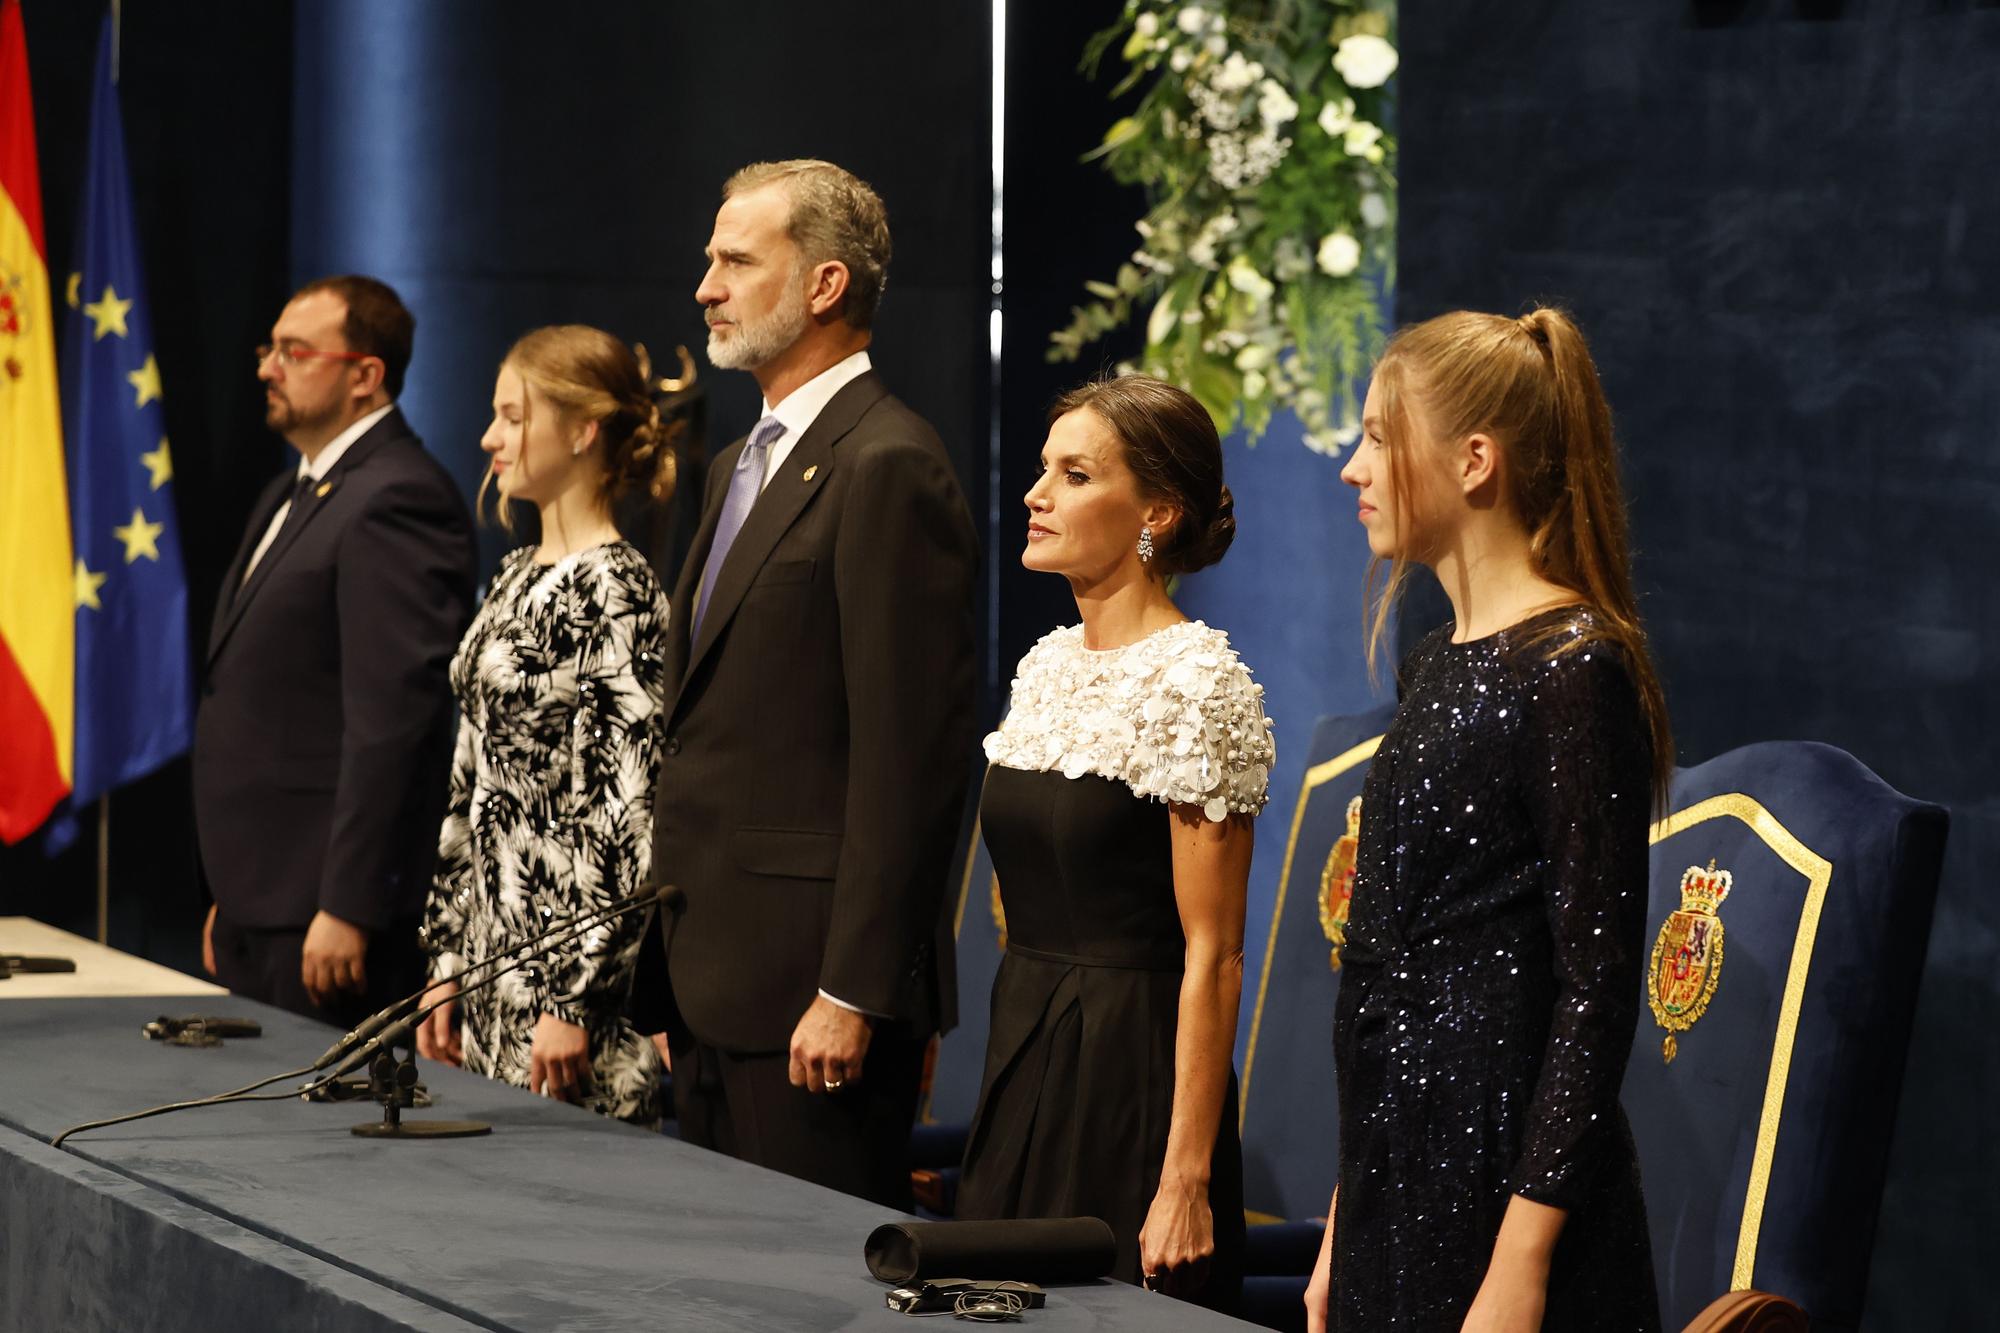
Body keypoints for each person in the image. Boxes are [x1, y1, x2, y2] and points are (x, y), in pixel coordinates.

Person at [1308, 307, 1671, 1332]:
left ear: (1472, 462)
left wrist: (1520, 1262)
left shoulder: (1569, 670)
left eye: (1377, 436)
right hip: (1398, 1177)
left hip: (1503, 1189)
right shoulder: (1433, 663)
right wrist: (1346, 1215)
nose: (1350, 466)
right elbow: (1382, 961)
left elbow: (1595, 990)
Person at [635, 160, 979, 1205]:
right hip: (706, 982)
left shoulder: (887, 463)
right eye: (709, 260)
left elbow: (908, 759)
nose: (706, 285)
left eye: (735, 260)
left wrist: (853, 988)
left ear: (825, 285)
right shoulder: (737, 458)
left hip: (810, 1001)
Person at [960, 374, 1272, 1314]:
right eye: (1042, 469)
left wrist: (1184, 1179)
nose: (1035, 494)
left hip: (1133, 1080)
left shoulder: (1199, 682)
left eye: (1075, 473)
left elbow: (1214, 956)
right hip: (1022, 1055)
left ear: (1156, 512)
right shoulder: (1047, 664)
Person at [194, 276, 475, 1027]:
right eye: (268, 348)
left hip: (325, 917)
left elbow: (392, 722)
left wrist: (347, 903)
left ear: (364, 375)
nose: (266, 368)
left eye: (293, 351)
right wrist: (238, 891)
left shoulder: (397, 498)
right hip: (265, 900)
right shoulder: (296, 489)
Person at [416, 326, 674, 1125]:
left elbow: (628, 813)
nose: (489, 436)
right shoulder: (516, 572)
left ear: (582, 428)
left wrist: (577, 996)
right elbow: (471, 779)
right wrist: (447, 953)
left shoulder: (620, 591)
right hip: (491, 964)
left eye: (511, 415)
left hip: (566, 995)